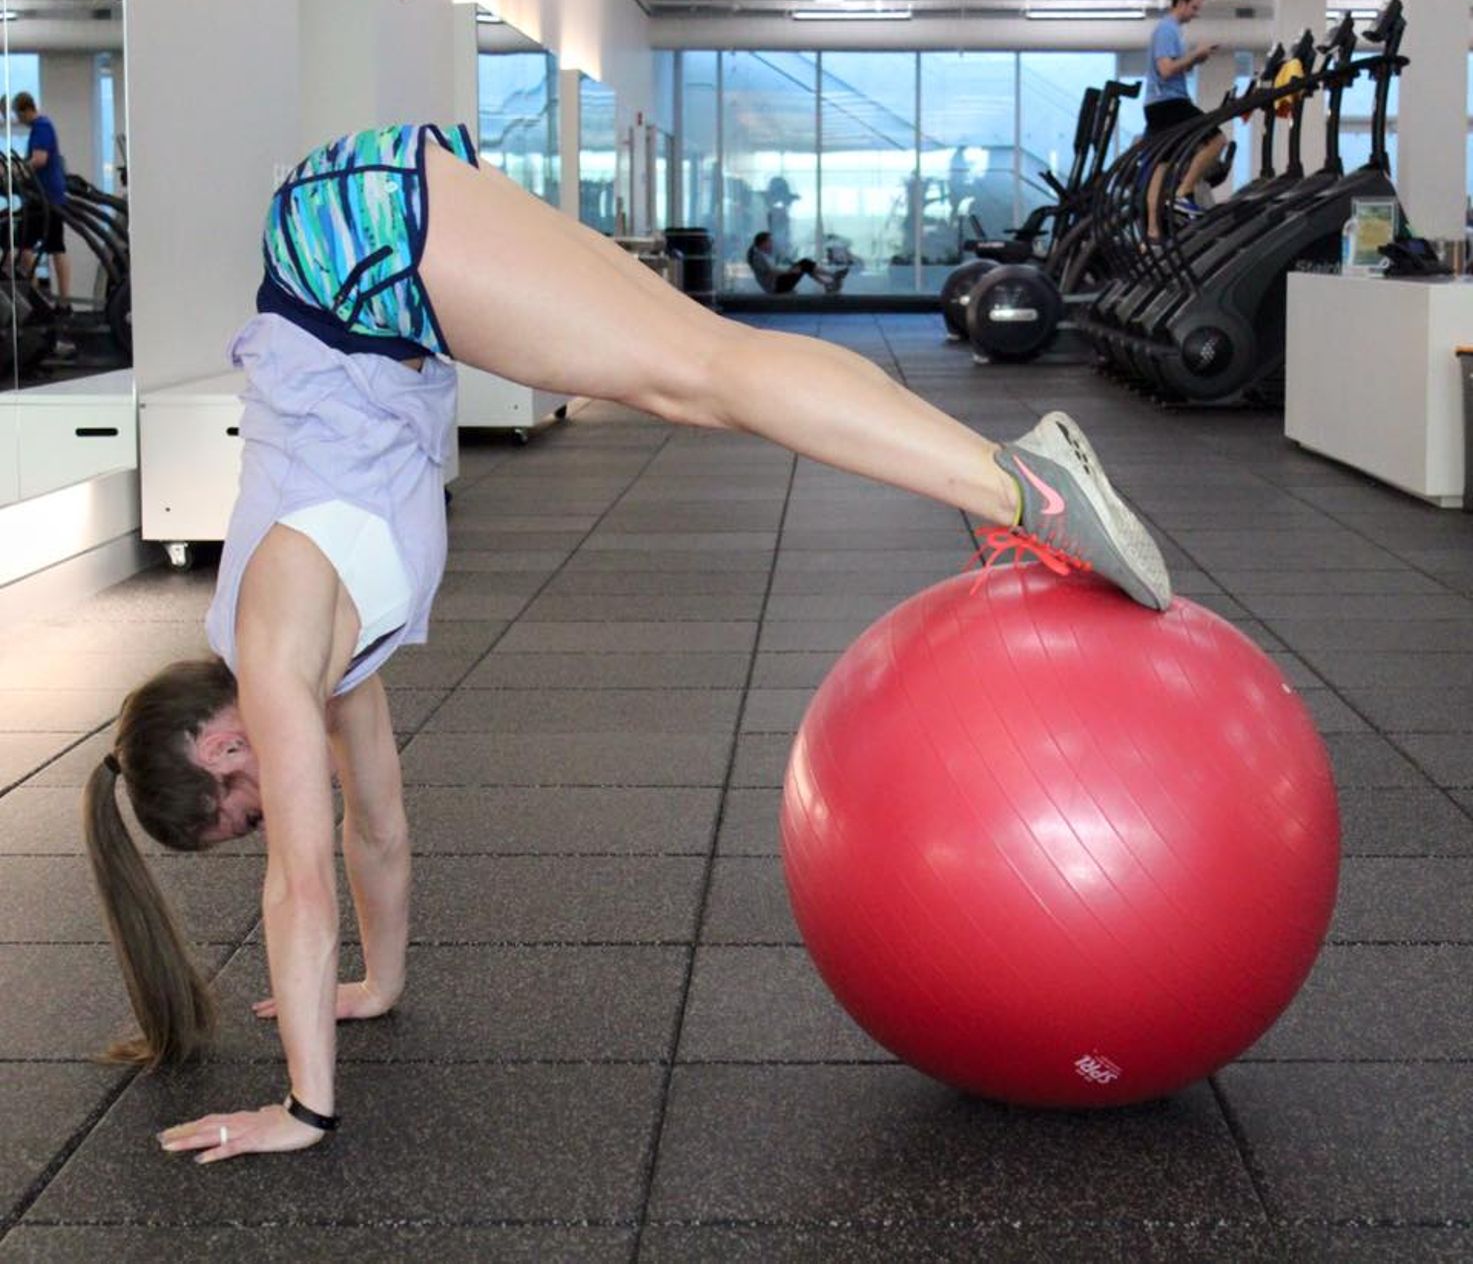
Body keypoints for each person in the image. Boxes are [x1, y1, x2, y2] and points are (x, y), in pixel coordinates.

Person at [83, 122, 1172, 1165]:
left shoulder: (275, 642)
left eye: (248, 808)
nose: (275, 805)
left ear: (223, 751)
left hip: (350, 249)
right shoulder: (328, 666)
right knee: (700, 371)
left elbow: (300, 881)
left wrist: (306, 1105)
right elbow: (376, 830)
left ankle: (1022, 485)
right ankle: (1017, 478)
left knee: (696, 372)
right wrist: (377, 981)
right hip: (376, 279)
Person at [1142, 0, 1227, 242]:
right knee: (1217, 140)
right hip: (1169, 102)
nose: (1195, 14)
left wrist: (1195, 60)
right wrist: (1194, 56)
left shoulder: (1173, 31)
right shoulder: (1168, 29)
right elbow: (1166, 70)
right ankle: (1183, 192)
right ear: (1180, 2)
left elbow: (1173, 69)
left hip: (1158, 103)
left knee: (1162, 165)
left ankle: (1153, 231)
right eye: (1194, 8)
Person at [4, 91, 72, 306]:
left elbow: (39, 160)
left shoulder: (41, 126)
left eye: (18, 115)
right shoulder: (40, 126)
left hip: (45, 200)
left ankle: (41, 299)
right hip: (43, 198)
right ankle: (52, 300)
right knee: (48, 247)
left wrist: (19, 171)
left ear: (25, 111)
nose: (18, 120)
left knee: (29, 246)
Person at [747, 230, 848, 295]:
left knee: (805, 264)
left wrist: (791, 267)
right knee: (804, 264)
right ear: (763, 243)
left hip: (777, 282)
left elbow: (774, 267)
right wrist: (791, 271)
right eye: (770, 241)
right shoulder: (758, 257)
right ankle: (831, 278)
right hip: (775, 287)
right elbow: (772, 271)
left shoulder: (762, 254)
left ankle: (828, 282)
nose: (772, 244)